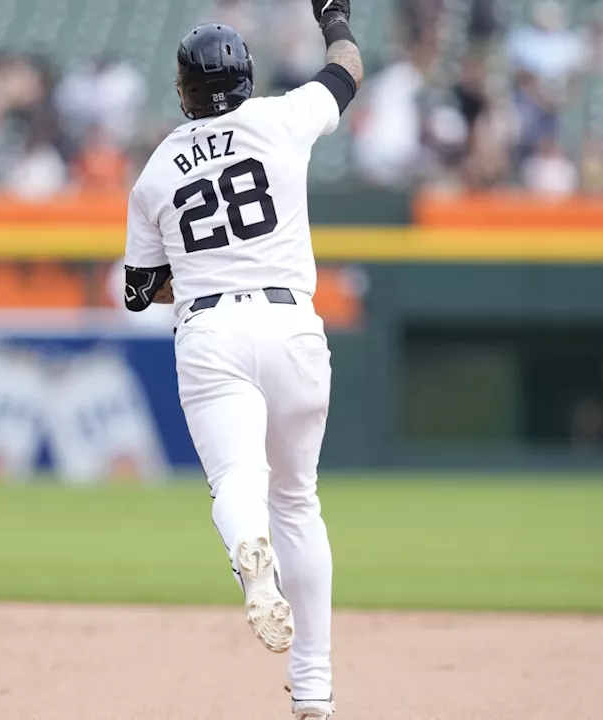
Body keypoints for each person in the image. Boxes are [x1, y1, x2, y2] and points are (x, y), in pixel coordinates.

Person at [120, 3, 363, 718]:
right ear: (246, 78)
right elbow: (348, 70)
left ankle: (249, 556)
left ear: (183, 90)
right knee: (299, 501)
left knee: (236, 479)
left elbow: (138, 290)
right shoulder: (283, 119)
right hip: (292, 325)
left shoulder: (157, 171)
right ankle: (313, 692)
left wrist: (198, 271)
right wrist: (336, 17)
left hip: (211, 331)